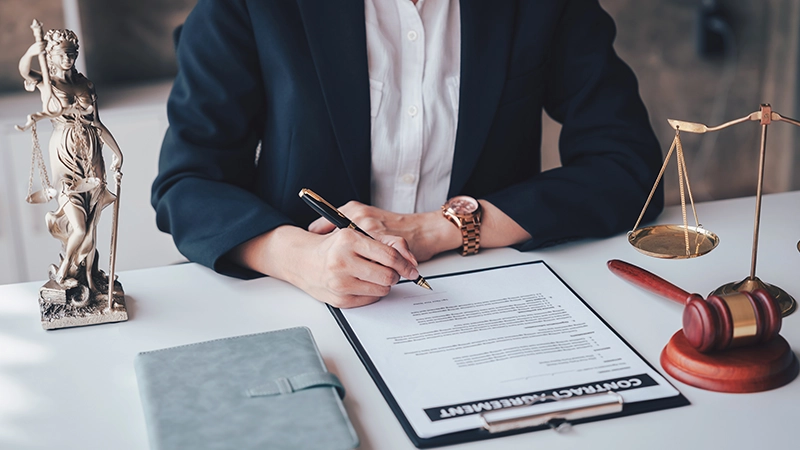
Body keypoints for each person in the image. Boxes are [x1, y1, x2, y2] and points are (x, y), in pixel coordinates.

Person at [152, 0, 664, 308]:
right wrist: (301, 257)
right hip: (298, 300)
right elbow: (189, 182)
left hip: (488, 294)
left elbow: (628, 165)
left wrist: (436, 229)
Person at [19, 28, 123, 292]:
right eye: (63, 54)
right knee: (76, 218)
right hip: (63, 152)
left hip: (91, 153)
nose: (69, 58)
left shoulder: (86, 84)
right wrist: (33, 52)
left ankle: (90, 274)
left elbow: (97, 124)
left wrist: (116, 152)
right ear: (51, 56)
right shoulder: (48, 83)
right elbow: (24, 72)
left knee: (91, 220)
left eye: (72, 53)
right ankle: (66, 271)